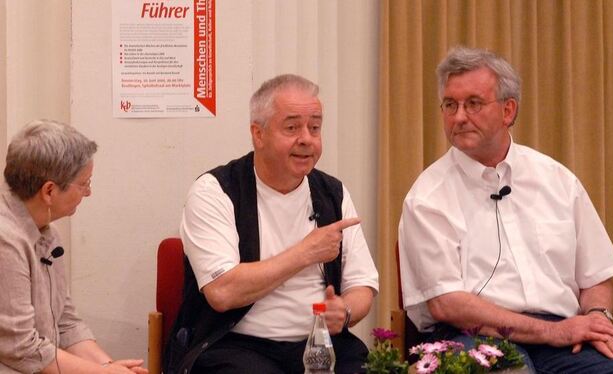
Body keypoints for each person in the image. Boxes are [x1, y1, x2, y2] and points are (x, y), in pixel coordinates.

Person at [398, 47, 613, 373]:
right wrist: (553, 331)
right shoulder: (427, 197)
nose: (459, 117)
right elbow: (448, 305)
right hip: (473, 335)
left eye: (473, 104)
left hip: (563, 340)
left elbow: (596, 277)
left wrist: (596, 317)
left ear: (508, 110)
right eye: (450, 105)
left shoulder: (557, 179)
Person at [166, 74, 379, 374]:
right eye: (292, 127)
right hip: (235, 344)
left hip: (319, 344)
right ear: (258, 134)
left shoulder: (332, 193)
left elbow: (362, 286)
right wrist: (305, 253)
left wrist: (343, 312)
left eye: (315, 127)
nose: (306, 138)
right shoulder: (216, 191)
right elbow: (222, 293)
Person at [0, 120, 148, 373]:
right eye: (84, 184)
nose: (88, 193)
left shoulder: (47, 231)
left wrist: (108, 365)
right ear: (49, 191)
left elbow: (65, 322)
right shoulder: (6, 240)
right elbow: (21, 348)